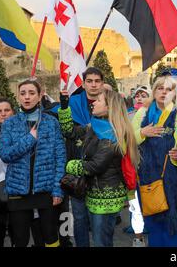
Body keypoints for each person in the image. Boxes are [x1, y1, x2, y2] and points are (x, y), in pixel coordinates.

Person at [63, 89, 139, 247]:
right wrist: (64, 106)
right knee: (101, 239)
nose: (93, 103)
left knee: (101, 241)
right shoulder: (96, 125)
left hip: (106, 198)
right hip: (95, 193)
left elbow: (95, 166)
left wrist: (71, 165)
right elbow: (70, 132)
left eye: (98, 100)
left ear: (109, 107)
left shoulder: (111, 134)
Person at [0, 79, 66, 247]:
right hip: (18, 191)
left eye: (31, 93)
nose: (27, 97)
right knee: (20, 238)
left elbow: (60, 157)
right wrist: (29, 139)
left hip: (46, 190)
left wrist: (57, 188)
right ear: (18, 97)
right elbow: (5, 154)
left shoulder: (51, 122)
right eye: (23, 93)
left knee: (50, 236)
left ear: (39, 95)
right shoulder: (9, 123)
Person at [134, 75, 177, 247]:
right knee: (152, 224)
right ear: (154, 91)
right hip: (147, 177)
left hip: (174, 179)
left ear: (174, 94)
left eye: (169, 89)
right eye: (160, 88)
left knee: (171, 224)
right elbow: (125, 141)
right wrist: (142, 133)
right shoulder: (142, 113)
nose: (164, 92)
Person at [58, 67, 104, 247]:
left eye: (97, 81)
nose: (93, 85)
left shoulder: (110, 103)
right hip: (77, 170)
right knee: (79, 217)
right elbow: (67, 131)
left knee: (99, 221)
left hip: (103, 172)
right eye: (89, 81)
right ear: (83, 84)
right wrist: (63, 105)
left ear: (102, 83)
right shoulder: (73, 102)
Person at [0, 98, 14, 247]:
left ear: (12, 112)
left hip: (18, 191)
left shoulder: (24, 132)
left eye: (7, 110)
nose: (3, 114)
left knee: (19, 234)